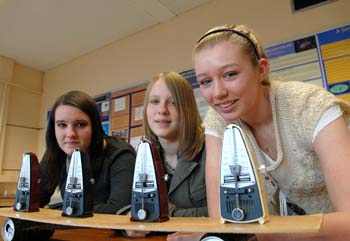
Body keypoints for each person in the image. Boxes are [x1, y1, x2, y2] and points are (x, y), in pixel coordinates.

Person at [193, 24, 350, 241]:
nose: (218, 93)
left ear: (261, 70)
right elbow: (224, 221)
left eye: (230, 74)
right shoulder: (218, 121)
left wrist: (266, 234)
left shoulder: (311, 106)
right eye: (206, 81)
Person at [125, 72, 207, 240]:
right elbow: (128, 208)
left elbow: (223, 213)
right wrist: (127, 226)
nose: (162, 110)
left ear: (188, 109)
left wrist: (161, 213)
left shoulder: (211, 149)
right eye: (154, 101)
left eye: (173, 103)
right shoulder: (143, 154)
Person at [40, 90, 136, 214]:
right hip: (72, 231)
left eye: (80, 125)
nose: (70, 134)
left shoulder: (121, 155)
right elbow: (31, 204)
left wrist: (60, 210)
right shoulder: (56, 152)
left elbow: (120, 211)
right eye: (62, 125)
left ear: (94, 126)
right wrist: (66, 210)